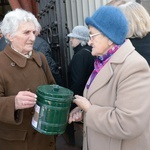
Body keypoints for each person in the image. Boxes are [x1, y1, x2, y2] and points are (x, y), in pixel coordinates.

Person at [69, 5, 150, 150]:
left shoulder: (134, 66)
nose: (89, 42)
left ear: (109, 37)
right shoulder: (102, 61)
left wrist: (89, 110)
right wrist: (83, 111)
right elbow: (104, 101)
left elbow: (128, 124)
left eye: (92, 35)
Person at [0, 8, 56, 150]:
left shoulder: (40, 58)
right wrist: (14, 103)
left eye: (33, 32)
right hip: (19, 143)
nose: (32, 38)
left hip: (45, 137)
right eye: (26, 32)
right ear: (10, 36)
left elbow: (52, 87)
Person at [66, 25, 94, 146]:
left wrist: (71, 99)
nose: (71, 40)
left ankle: (72, 143)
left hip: (78, 96)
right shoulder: (90, 52)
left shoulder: (80, 55)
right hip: (86, 95)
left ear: (81, 39)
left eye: (74, 38)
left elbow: (77, 81)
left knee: (70, 119)